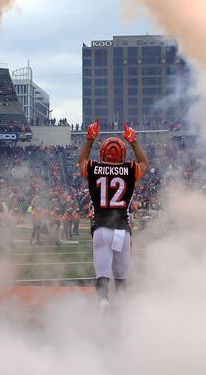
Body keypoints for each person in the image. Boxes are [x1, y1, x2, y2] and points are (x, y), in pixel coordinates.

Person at [78, 121, 148, 312]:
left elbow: (82, 162)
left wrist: (90, 140)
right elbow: (144, 164)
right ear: (123, 154)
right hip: (122, 231)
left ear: (102, 153)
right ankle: (123, 311)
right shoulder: (130, 170)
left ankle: (103, 302)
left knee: (102, 275)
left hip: (101, 228)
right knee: (121, 278)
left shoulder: (93, 167)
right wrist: (134, 142)